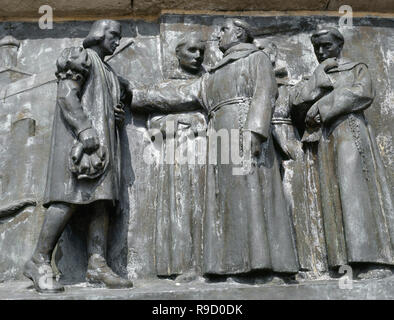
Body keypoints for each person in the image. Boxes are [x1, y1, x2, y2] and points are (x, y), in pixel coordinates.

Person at [132, 18, 299, 281]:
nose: (218, 35)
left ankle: (266, 267)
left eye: (224, 30)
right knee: (226, 202)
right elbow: (181, 94)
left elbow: (265, 93)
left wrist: (255, 132)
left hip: (247, 132)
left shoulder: (256, 59)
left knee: (256, 197)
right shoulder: (215, 72)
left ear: (239, 33)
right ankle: (233, 266)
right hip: (221, 137)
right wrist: (132, 95)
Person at [23, 19, 133, 293]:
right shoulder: (80, 57)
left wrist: (115, 115)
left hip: (104, 148)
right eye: (113, 35)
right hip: (80, 145)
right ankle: (38, 260)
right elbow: (67, 96)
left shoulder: (108, 71)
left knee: (101, 203)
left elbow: (104, 103)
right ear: (99, 34)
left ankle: (97, 265)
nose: (117, 41)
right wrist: (85, 129)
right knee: (66, 199)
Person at [291, 27, 394, 279]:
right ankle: (340, 262)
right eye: (317, 47)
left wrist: (322, 106)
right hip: (324, 140)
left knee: (354, 190)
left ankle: (370, 259)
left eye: (326, 45)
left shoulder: (356, 67)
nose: (321, 51)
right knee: (331, 194)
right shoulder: (313, 75)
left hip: (350, 131)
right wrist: (317, 78)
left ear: (339, 45)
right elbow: (296, 103)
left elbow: (362, 92)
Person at [147, 35, 207, 282]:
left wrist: (202, 122)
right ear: (179, 53)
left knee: (205, 205)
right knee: (179, 205)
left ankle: (206, 264)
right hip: (177, 153)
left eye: (201, 51)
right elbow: (153, 124)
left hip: (210, 151)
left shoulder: (210, 83)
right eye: (192, 50)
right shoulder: (164, 87)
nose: (197, 56)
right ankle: (181, 263)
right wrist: (181, 120)